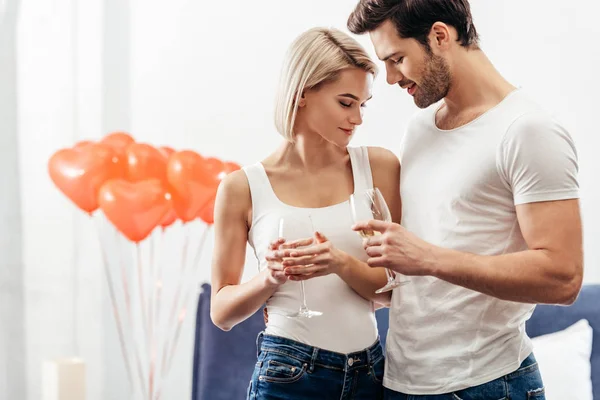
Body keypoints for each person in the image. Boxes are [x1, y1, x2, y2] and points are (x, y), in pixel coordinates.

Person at [328, 0, 583, 399]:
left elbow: (563, 276)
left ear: (440, 36)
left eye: (397, 59)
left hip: (486, 384)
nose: (391, 78)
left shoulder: (527, 131)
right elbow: (413, 282)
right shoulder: (420, 128)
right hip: (401, 381)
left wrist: (427, 257)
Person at [210, 26, 402, 400]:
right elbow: (222, 312)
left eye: (363, 105)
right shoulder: (241, 188)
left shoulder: (379, 168)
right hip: (289, 374)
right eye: (346, 103)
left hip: (371, 373)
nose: (358, 119)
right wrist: (270, 278)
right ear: (301, 95)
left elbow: (397, 292)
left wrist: (340, 263)